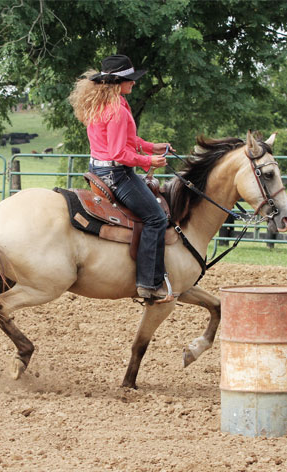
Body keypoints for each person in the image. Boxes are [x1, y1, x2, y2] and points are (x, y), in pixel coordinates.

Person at [68, 54, 174, 302]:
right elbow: (119, 152)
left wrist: (150, 147)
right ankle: (149, 283)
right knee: (156, 218)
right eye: (130, 79)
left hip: (99, 168)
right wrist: (149, 161)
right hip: (116, 173)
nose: (134, 83)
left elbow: (126, 139)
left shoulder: (107, 104)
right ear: (117, 81)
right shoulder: (117, 109)